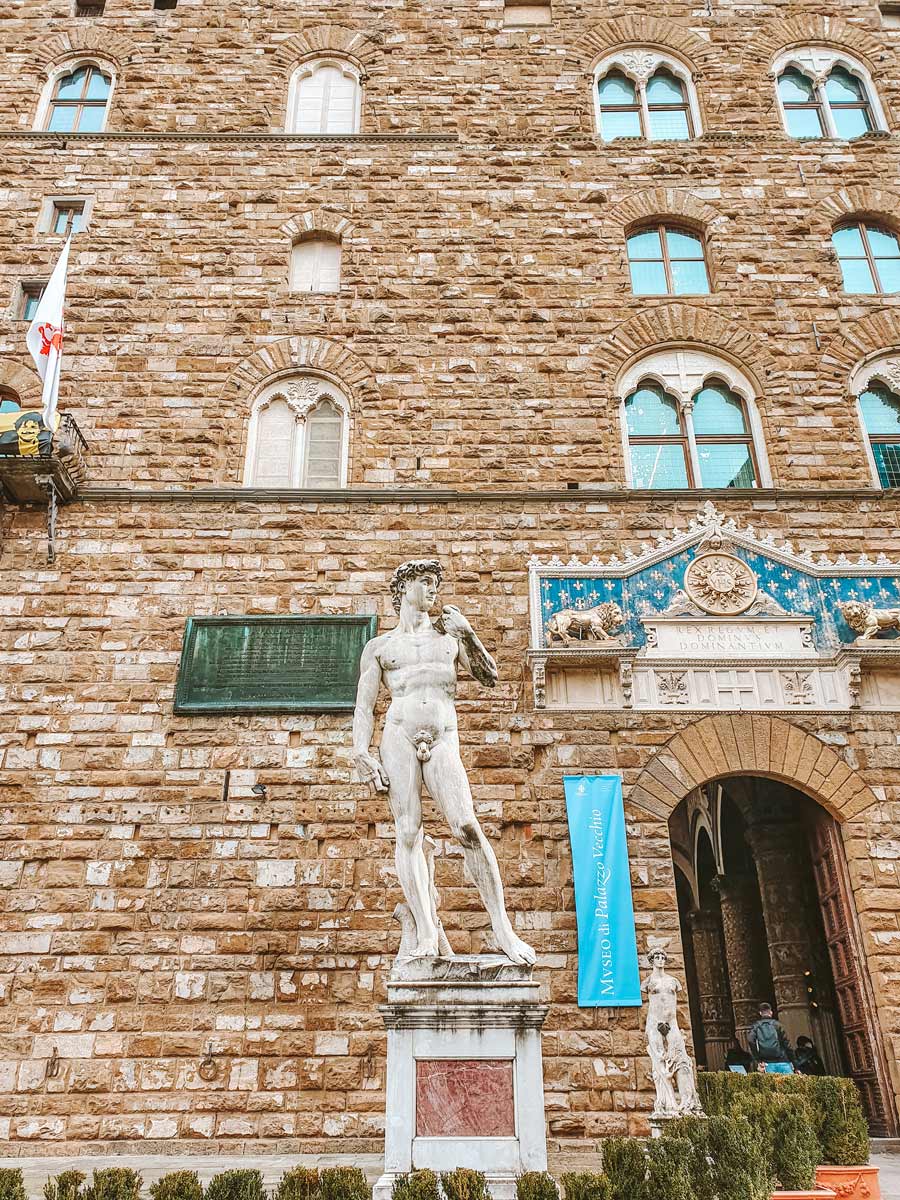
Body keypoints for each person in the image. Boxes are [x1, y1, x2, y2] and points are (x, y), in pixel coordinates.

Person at [351, 558, 536, 965]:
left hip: (443, 736)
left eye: (435, 583)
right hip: (398, 735)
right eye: (425, 582)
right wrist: (360, 752)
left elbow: (488, 677)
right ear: (404, 588)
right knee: (408, 831)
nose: (433, 590)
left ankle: (502, 930)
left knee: (467, 826)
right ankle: (427, 930)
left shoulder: (449, 636)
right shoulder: (380, 647)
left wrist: (468, 634)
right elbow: (364, 705)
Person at [748, 1002, 794, 1070]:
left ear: (760, 1013)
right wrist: (794, 1062)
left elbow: (750, 1040)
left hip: (767, 1063)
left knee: (770, 1080)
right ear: (771, 1012)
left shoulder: (756, 1026)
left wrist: (758, 1059)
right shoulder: (778, 1025)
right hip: (783, 1061)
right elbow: (787, 1044)